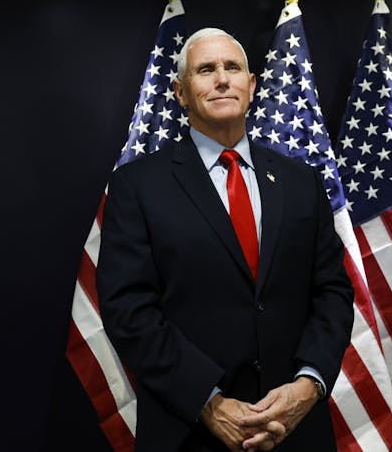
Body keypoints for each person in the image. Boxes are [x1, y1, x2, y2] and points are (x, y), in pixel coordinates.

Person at [96, 27, 354, 452]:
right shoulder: (137, 186)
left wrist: (307, 386)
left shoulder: (301, 181)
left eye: (232, 67)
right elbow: (128, 309)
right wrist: (209, 402)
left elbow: (333, 291)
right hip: (191, 432)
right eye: (205, 70)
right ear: (180, 91)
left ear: (251, 86)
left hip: (295, 430)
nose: (221, 79)